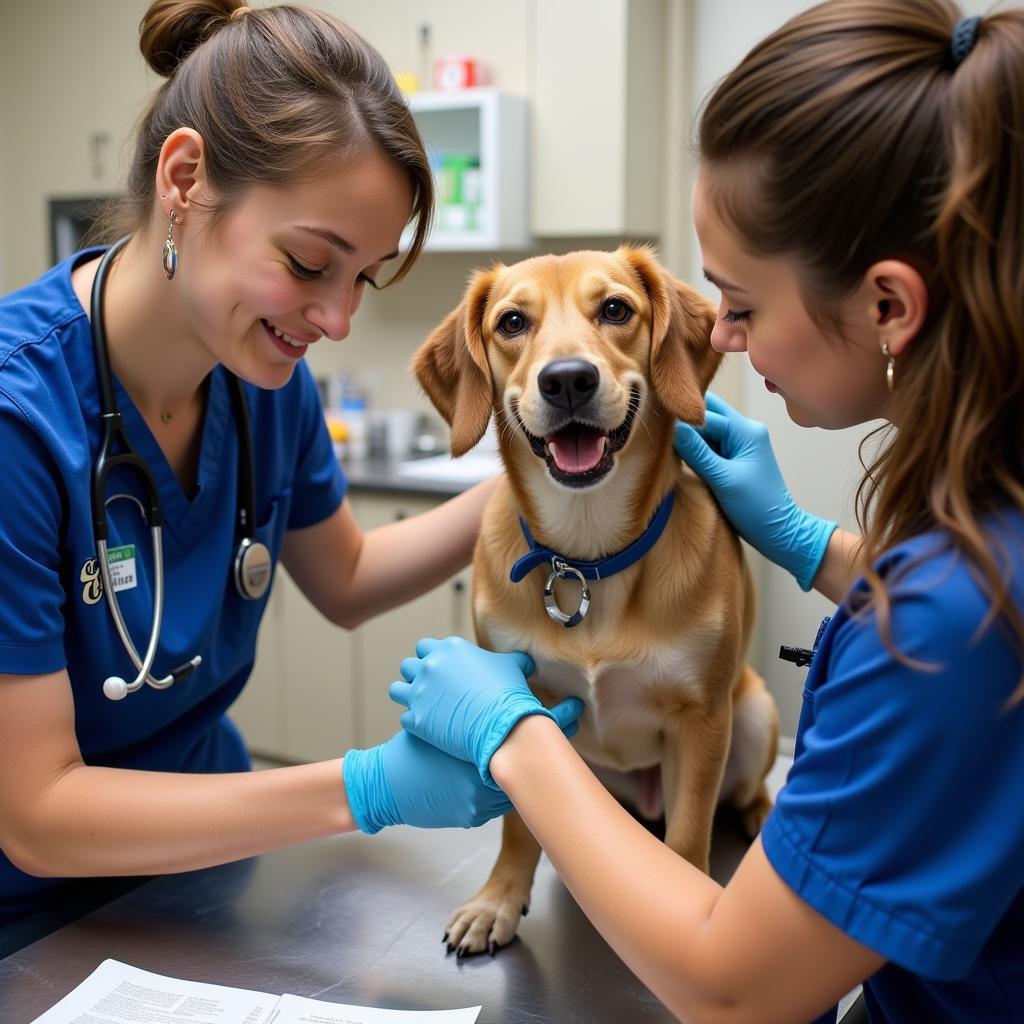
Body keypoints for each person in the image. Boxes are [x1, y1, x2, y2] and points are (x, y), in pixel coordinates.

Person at [384, 2, 1024, 1021]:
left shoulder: (951, 618)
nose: (717, 335)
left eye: (740, 301)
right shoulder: (979, 529)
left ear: (890, 308)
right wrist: (814, 547)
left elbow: (732, 994)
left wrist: (516, 740)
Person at [0, 0, 582, 947]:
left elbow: (346, 581)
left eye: (364, 276)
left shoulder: (260, 379)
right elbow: (35, 811)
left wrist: (538, 482)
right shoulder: (19, 425)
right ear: (185, 179)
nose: (337, 317)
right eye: (311, 262)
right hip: (31, 921)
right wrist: (366, 787)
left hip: (208, 869)